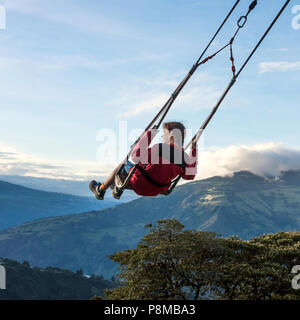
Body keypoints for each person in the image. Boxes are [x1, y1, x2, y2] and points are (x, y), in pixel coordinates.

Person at [89, 121, 198, 200]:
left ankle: (100, 190)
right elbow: (189, 176)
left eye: (164, 133)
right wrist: (193, 151)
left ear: (171, 136)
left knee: (123, 165)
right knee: (138, 170)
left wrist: (149, 135)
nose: (162, 136)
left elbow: (136, 155)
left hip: (139, 184)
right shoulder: (185, 158)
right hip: (157, 190)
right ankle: (117, 190)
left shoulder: (159, 149)